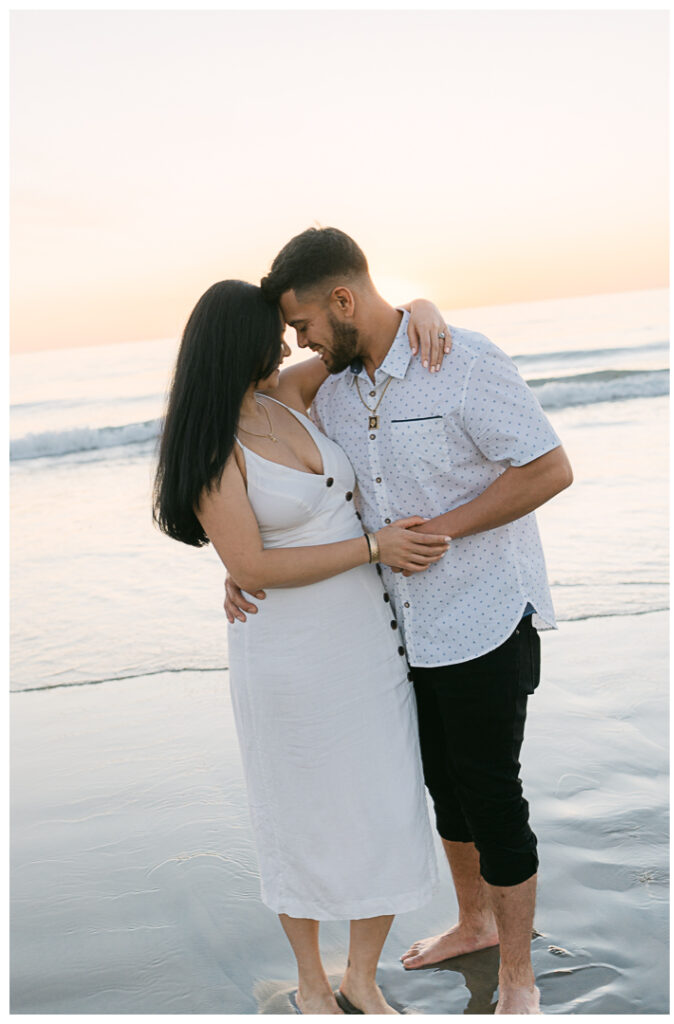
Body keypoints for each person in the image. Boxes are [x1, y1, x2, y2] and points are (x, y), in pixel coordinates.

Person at [224, 228, 574, 1015]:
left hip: (483, 614)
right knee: (441, 790)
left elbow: (549, 467)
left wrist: (444, 528)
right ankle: (472, 922)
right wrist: (237, 558)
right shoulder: (335, 389)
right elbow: (259, 458)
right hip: (397, 630)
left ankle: (517, 979)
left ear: (341, 301)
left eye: (304, 325)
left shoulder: (464, 360)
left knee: (491, 795)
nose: (298, 342)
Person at [153, 279, 454, 1015]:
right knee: (302, 816)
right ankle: (313, 986)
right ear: (236, 345)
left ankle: (361, 976)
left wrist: (420, 307)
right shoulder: (210, 444)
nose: (290, 344)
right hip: (289, 658)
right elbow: (251, 567)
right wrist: (371, 547)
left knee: (382, 803)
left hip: (365, 641)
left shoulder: (285, 394)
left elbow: (366, 336)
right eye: (274, 334)